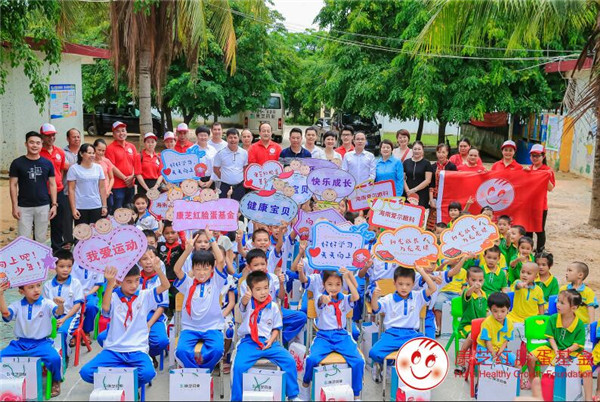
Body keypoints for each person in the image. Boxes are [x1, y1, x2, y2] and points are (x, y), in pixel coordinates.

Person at [79, 264, 170, 387]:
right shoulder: (113, 296)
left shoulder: (144, 295)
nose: (134, 285)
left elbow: (165, 286)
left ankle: (123, 386)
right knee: (86, 372)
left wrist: (158, 269)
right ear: (120, 281)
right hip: (114, 350)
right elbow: (105, 308)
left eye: (137, 280)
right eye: (129, 281)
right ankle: (123, 383)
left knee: (148, 373)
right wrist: (110, 283)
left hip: (137, 350)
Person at [230, 270, 299, 401]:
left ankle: (293, 395)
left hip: (269, 342)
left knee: (289, 361)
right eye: (258, 289)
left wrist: (271, 340)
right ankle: (237, 399)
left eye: (266, 288)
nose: (263, 292)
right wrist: (245, 298)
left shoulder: (273, 306)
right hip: (249, 342)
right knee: (238, 366)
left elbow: (276, 328)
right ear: (250, 290)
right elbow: (242, 304)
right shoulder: (248, 303)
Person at [300, 270, 363, 400]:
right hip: (324, 336)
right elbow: (321, 300)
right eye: (330, 284)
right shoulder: (320, 296)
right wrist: (325, 299)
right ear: (324, 284)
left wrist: (347, 278)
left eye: (338, 284)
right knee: (312, 359)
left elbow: (356, 296)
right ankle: (305, 385)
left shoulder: (344, 298)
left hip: (341, 336)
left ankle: (356, 395)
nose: (334, 288)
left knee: (358, 361)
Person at [173, 232, 230, 371]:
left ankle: (204, 371)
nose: (202, 272)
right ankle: (195, 372)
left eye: (206, 268)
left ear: (212, 269)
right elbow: (176, 269)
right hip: (190, 328)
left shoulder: (216, 282)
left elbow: (221, 261)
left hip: (212, 327)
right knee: (181, 351)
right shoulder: (188, 283)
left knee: (217, 350)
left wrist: (212, 239)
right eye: (198, 269)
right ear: (193, 269)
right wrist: (188, 250)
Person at [369, 266, 437, 382]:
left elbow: (433, 288)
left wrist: (421, 271)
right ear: (394, 283)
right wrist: (375, 297)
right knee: (374, 352)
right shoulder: (388, 299)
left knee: (430, 351)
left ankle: (412, 372)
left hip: (411, 334)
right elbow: (375, 308)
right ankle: (390, 364)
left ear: (413, 284)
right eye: (400, 284)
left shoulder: (417, 296)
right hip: (392, 334)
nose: (404, 287)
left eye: (408, 284)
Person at [0, 281, 65, 397]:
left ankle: (56, 380)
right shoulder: (16, 305)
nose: (36, 290)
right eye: (31, 287)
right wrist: (0, 295)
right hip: (20, 344)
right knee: (1, 357)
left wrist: (60, 305)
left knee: (54, 358)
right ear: (21, 291)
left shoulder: (47, 303)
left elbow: (58, 312)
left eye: (38, 286)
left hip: (41, 344)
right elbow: (6, 315)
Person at [527, 289, 592, 399]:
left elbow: (578, 344)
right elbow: (550, 337)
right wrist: (557, 350)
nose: (558, 305)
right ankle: (532, 380)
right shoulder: (553, 318)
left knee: (587, 370)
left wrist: (567, 351)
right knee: (531, 357)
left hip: (573, 354)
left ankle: (588, 398)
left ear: (573, 308)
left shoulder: (579, 324)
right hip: (553, 350)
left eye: (562, 303)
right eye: (558, 301)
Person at [9, 131, 58, 243]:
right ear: (26, 144)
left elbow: (52, 184)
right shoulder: (17, 163)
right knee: (23, 238)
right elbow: (13, 185)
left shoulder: (47, 163)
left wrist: (54, 204)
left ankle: (39, 255)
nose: (35, 145)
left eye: (38, 143)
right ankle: (24, 255)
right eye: (31, 142)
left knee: (41, 238)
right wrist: (14, 206)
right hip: (23, 206)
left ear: (41, 144)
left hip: (43, 205)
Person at [43, 250, 84, 348]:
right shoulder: (47, 285)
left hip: (70, 316)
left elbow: (77, 306)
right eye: (61, 266)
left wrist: (64, 319)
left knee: (62, 332)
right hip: (52, 316)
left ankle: (64, 354)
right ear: (54, 267)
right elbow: (45, 306)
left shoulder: (75, 283)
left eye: (69, 266)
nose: (66, 270)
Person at [40, 123, 69, 252]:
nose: (51, 138)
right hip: (42, 192)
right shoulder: (38, 152)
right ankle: (39, 250)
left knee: (58, 222)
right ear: (42, 136)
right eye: (48, 135)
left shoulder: (60, 152)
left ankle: (57, 249)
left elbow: (61, 170)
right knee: (41, 222)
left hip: (58, 191)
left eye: (53, 135)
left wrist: (58, 183)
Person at [455, 266, 487, 374]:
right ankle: (461, 359)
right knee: (471, 336)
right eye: (473, 280)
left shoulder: (484, 295)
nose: (477, 283)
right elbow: (468, 293)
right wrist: (473, 287)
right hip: (468, 325)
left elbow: (486, 311)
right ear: (467, 280)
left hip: (481, 325)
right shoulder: (467, 292)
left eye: (480, 280)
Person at [67, 143, 107, 225]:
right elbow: (71, 189)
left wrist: (104, 206)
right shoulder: (74, 169)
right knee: (82, 231)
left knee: (96, 230)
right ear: (81, 154)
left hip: (96, 205)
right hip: (80, 206)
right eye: (89, 153)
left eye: (93, 153)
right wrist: (73, 209)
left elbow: (102, 187)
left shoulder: (98, 168)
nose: (92, 155)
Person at [525, 144, 555, 252]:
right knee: (528, 229)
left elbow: (550, 188)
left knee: (540, 230)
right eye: (533, 155)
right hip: (527, 205)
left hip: (541, 206)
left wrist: (545, 177)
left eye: (537, 155)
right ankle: (528, 250)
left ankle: (540, 251)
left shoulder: (547, 170)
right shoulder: (528, 169)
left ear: (543, 156)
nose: (535, 158)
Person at [105, 121, 140, 211]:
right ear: (113, 134)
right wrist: (125, 178)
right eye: (118, 131)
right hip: (117, 186)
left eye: (123, 130)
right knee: (117, 211)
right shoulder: (110, 148)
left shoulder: (131, 146)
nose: (121, 133)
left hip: (130, 184)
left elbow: (135, 163)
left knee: (130, 209)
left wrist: (132, 176)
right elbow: (111, 166)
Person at [476, 292, 516, 366]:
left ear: (508, 309)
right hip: (485, 348)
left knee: (515, 360)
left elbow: (506, 341)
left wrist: (500, 353)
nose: (499, 314)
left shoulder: (509, 323)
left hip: (500, 348)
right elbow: (487, 342)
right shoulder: (487, 323)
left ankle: (516, 373)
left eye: (503, 311)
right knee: (487, 362)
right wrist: (494, 356)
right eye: (495, 311)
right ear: (490, 310)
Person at [213, 128, 248, 201]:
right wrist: (225, 177)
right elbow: (216, 169)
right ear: (227, 138)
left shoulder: (244, 153)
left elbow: (245, 168)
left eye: (235, 137)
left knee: (238, 206)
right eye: (230, 137)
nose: (233, 140)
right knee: (224, 206)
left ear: (239, 138)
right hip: (225, 186)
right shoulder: (220, 153)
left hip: (239, 187)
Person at [428, 143, 457, 228]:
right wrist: (431, 199)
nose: (441, 155)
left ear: (447, 153)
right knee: (432, 222)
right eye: (439, 152)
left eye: (443, 152)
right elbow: (431, 184)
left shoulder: (452, 167)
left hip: (447, 197)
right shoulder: (432, 166)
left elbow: (454, 184)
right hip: (435, 197)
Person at [403, 141, 433, 208]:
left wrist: (414, 190)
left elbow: (428, 180)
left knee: (420, 211)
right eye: (415, 149)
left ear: (422, 150)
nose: (417, 151)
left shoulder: (427, 163)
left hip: (422, 192)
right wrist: (408, 191)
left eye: (419, 149)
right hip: (408, 191)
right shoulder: (406, 162)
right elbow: (403, 178)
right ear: (412, 150)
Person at [93, 139, 115, 214]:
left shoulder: (106, 161)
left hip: (106, 193)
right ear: (94, 148)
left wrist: (108, 190)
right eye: (99, 150)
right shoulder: (89, 162)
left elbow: (112, 178)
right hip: (94, 193)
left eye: (103, 151)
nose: (101, 153)